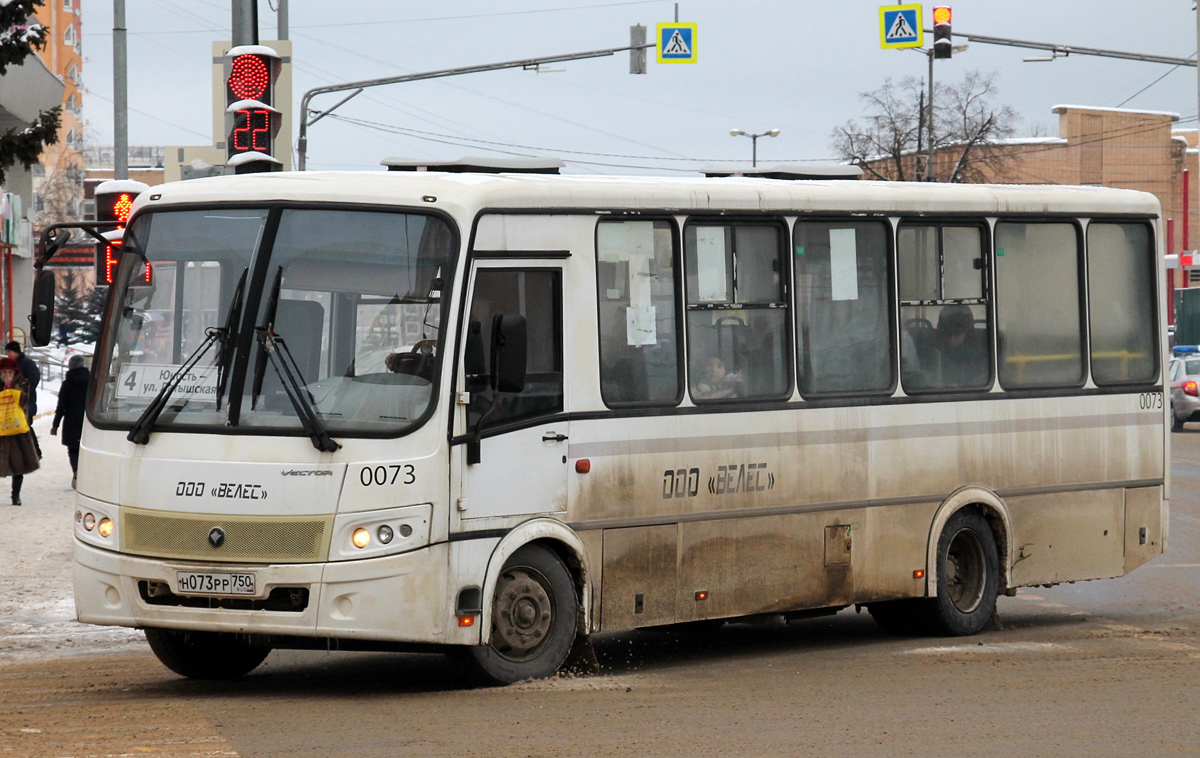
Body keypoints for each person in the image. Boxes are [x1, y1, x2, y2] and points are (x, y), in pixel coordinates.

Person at [0, 357, 40, 505]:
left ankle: (15, 495)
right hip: (0, 429)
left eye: (10, 372)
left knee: (18, 465)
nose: (7, 374)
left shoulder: (22, 383)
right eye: (4, 372)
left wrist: (11, 388)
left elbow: (24, 401)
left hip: (16, 430)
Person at [51, 354, 88, 489]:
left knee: (73, 450)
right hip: (88, 420)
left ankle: (76, 470)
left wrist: (55, 425)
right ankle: (85, 474)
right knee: (86, 449)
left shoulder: (67, 384)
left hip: (72, 421)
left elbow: (61, 406)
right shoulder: (92, 381)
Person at [936, 305, 988, 388]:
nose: (951, 339)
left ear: (967, 333)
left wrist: (958, 385)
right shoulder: (936, 350)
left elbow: (981, 379)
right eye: (947, 334)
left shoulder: (980, 352)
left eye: (957, 334)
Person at [5, 341, 41, 459]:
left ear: (16, 351)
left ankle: (34, 452)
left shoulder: (27, 363)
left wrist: (19, 389)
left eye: (9, 352)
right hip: (13, 404)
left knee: (25, 427)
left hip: (26, 402)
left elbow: (33, 379)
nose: (8, 354)